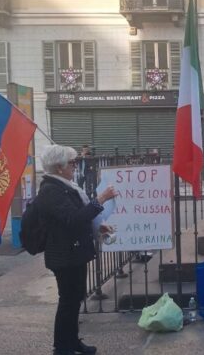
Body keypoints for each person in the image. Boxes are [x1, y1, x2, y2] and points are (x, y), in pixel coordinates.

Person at [38, 145, 117, 355]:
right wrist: (100, 200)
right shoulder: (51, 190)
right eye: (72, 163)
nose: (76, 166)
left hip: (73, 253)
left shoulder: (65, 186)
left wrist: (98, 226)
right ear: (59, 167)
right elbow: (72, 220)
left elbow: (76, 216)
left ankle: (71, 341)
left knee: (74, 301)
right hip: (64, 255)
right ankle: (62, 348)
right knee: (68, 302)